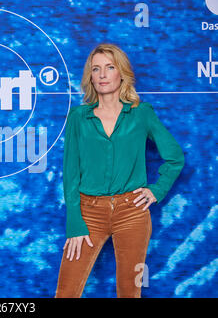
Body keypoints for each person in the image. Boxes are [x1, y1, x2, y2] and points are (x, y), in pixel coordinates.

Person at [55, 43, 184, 298]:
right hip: (87, 213)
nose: (102, 74)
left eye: (110, 67)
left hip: (132, 214)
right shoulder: (78, 117)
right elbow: (70, 174)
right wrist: (74, 223)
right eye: (96, 69)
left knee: (129, 293)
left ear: (121, 73)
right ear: (90, 76)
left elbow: (175, 157)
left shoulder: (141, 114)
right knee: (66, 293)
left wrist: (157, 190)